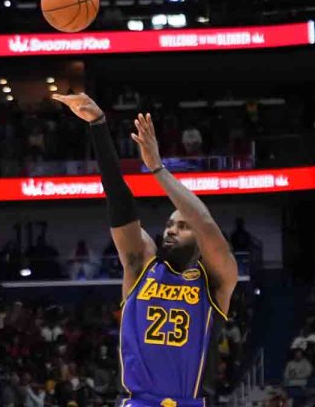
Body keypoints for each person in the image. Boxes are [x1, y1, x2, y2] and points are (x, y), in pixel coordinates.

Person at [53, 93, 238, 407]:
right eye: (169, 224)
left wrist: (158, 170)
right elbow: (119, 200)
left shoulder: (215, 282)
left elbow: (203, 221)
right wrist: (98, 126)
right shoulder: (142, 266)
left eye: (181, 226)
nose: (170, 230)